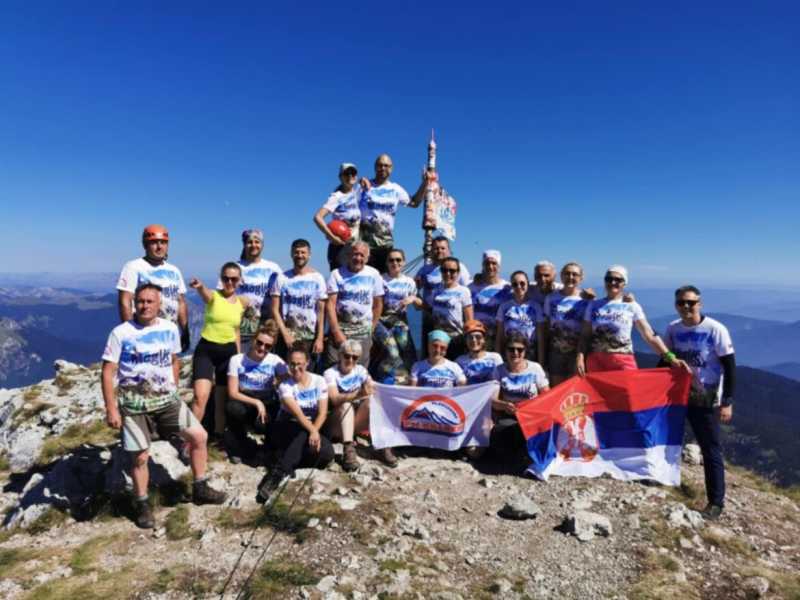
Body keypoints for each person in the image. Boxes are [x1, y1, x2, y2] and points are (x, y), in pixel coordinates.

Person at [101, 284, 226, 529]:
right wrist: (111, 409)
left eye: (150, 301)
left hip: (167, 401)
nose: (145, 306)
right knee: (140, 457)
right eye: (141, 301)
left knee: (199, 436)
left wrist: (174, 388)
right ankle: (143, 503)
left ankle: (200, 486)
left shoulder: (169, 329)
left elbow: (173, 360)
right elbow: (108, 372)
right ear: (134, 303)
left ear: (159, 305)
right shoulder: (121, 332)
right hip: (134, 405)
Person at [663, 285, 735, 520]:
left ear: (699, 304)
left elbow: (730, 367)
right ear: (676, 305)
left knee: (710, 448)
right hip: (678, 396)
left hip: (707, 399)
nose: (686, 307)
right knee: (668, 438)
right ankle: (662, 478)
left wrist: (727, 401)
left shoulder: (715, 329)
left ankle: (716, 502)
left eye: (691, 303)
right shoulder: (673, 329)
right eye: (681, 303)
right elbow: (665, 360)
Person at [576, 265, 689, 374]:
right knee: (597, 394)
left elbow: (648, 334)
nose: (612, 282)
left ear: (624, 283)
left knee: (627, 393)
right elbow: (585, 335)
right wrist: (580, 357)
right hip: (596, 361)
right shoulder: (593, 305)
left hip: (623, 361)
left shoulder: (632, 306)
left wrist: (671, 358)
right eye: (609, 279)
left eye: (618, 279)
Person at [257, 345, 334, 504]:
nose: (296, 367)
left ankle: (282, 458)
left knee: (326, 454)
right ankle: (277, 475)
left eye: (300, 363)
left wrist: (315, 431)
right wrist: (313, 431)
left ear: (307, 363)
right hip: (286, 426)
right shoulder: (285, 385)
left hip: (310, 428)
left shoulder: (319, 381)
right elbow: (297, 414)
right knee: (301, 432)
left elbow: (322, 412)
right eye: (292, 364)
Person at [189, 263, 247, 438]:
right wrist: (200, 287)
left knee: (221, 399)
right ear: (221, 279)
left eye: (234, 279)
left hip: (228, 353)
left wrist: (237, 357)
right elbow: (206, 295)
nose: (229, 282)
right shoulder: (214, 296)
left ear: (240, 281)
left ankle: (218, 436)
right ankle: (190, 438)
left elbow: (236, 330)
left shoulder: (242, 303)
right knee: (201, 396)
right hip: (206, 350)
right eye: (225, 278)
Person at [116, 224, 189, 350]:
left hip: (168, 333)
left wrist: (185, 331)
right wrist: (129, 332)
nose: (159, 246)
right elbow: (125, 301)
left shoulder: (174, 270)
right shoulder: (133, 267)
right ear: (145, 245)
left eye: (163, 242)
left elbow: (180, 303)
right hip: (143, 332)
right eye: (154, 242)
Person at [225, 321, 287, 463]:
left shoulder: (274, 360)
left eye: (268, 346)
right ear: (253, 340)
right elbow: (232, 393)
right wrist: (256, 402)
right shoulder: (237, 360)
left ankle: (267, 448)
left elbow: (289, 376)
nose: (262, 348)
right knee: (233, 408)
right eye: (259, 343)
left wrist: (278, 381)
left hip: (266, 399)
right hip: (245, 398)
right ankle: (238, 443)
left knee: (267, 422)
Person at [490, 331, 550, 467]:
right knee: (501, 430)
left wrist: (532, 407)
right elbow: (493, 401)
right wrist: (505, 405)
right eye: (511, 349)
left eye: (520, 349)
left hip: (532, 416)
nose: (515, 353)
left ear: (525, 351)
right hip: (509, 415)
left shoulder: (535, 368)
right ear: (505, 351)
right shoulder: (498, 370)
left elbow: (546, 395)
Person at [359, 154, 426, 271]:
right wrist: (358, 181)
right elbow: (345, 195)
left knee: (384, 280)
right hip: (364, 245)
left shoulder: (396, 189)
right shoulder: (364, 186)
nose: (383, 168)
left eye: (386, 165)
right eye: (380, 165)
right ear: (375, 167)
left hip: (386, 245)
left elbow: (414, 203)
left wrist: (425, 183)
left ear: (391, 168)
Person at [325, 241, 384, 368]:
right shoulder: (336, 274)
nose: (358, 258)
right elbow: (330, 305)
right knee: (334, 367)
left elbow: (378, 305)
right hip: (340, 331)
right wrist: (336, 331)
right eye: (355, 254)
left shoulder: (374, 274)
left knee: (359, 370)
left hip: (363, 333)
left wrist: (371, 329)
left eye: (362, 255)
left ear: (367, 258)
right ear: (348, 255)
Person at [270, 239, 327, 360]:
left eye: (303, 252)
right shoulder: (282, 278)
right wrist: (285, 334)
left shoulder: (318, 278)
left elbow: (321, 311)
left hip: (309, 338)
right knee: (285, 374)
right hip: (287, 337)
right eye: (296, 252)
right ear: (291, 254)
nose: (300, 255)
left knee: (308, 374)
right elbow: (275, 309)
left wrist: (320, 338)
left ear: (309, 255)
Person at [373, 248, 421, 384]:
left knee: (409, 354)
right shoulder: (380, 280)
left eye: (398, 260)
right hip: (381, 321)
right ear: (387, 263)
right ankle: (379, 378)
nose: (395, 263)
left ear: (403, 262)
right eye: (391, 260)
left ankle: (409, 381)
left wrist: (413, 298)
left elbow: (420, 306)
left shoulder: (409, 282)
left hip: (400, 322)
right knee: (393, 353)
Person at [323, 340, 373, 472]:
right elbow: (334, 398)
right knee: (345, 404)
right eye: (347, 356)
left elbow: (372, 386)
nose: (350, 360)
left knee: (371, 403)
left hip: (353, 421)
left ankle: (381, 443)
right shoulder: (330, 373)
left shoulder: (361, 370)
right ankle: (348, 449)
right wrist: (358, 394)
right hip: (336, 421)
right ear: (339, 355)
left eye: (355, 357)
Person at [229, 229, 282, 347]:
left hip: (267, 331)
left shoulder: (273, 268)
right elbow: (223, 296)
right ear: (244, 245)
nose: (253, 245)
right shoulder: (235, 267)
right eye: (249, 242)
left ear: (262, 244)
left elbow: (282, 296)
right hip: (241, 331)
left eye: (257, 242)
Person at [541, 262, 591, 385]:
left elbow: (588, 331)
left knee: (574, 391)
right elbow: (546, 328)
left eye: (575, 274)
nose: (571, 277)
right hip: (555, 353)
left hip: (577, 354)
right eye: (567, 273)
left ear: (581, 278)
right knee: (556, 390)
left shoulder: (586, 300)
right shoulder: (551, 299)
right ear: (561, 276)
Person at [314, 163, 364, 271]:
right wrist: (331, 236)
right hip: (339, 249)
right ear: (340, 177)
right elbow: (318, 217)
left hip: (354, 246)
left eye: (353, 173)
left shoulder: (358, 191)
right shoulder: (336, 197)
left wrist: (364, 180)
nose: (350, 176)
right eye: (346, 173)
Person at [426, 257, 473, 360]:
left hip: (456, 339)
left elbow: (469, 320)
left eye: (452, 271)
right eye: (444, 270)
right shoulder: (436, 290)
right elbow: (429, 309)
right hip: (438, 339)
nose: (448, 273)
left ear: (458, 272)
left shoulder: (463, 291)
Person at [495, 271, 544, 363]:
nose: (519, 287)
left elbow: (540, 337)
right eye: (515, 284)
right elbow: (499, 335)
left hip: (530, 352)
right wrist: (498, 358)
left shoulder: (536, 307)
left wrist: (541, 362)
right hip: (511, 352)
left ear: (528, 284)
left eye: (522, 283)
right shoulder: (504, 307)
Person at [468, 250, 510, 352]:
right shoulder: (471, 287)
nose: (490, 267)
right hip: (475, 339)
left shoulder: (507, 288)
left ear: (499, 266)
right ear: (482, 265)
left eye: (494, 263)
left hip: (498, 339)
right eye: (487, 263)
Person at [456, 320, 503, 385]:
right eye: (470, 337)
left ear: (484, 339)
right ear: (465, 341)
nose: (474, 340)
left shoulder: (495, 358)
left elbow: (502, 381)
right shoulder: (460, 361)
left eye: (478, 337)